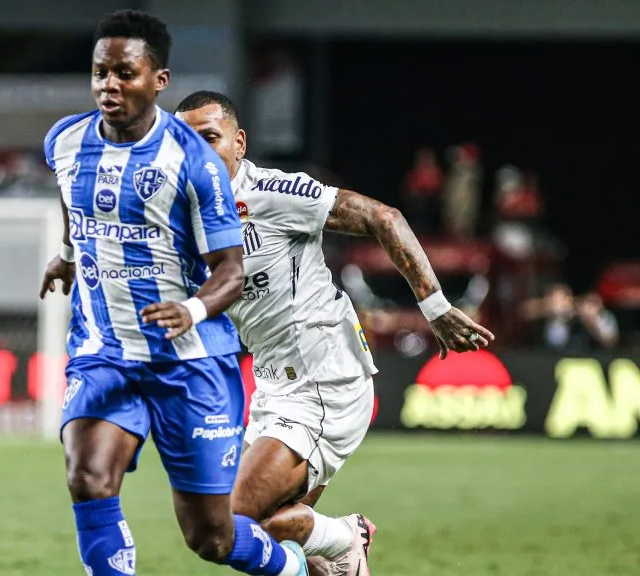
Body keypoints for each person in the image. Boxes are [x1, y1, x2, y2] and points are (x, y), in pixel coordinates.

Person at [175, 91, 496, 576]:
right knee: (249, 531)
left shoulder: (271, 193)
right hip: (273, 385)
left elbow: (383, 217)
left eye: (210, 138)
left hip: (324, 380)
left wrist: (435, 307)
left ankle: (346, 536)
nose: (198, 152)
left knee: (228, 520)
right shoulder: (185, 214)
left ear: (239, 143)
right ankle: (334, 558)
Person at [40, 10, 309, 576]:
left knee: (210, 536)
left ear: (158, 79)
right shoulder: (64, 140)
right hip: (105, 351)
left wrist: (191, 309)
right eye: (100, 73)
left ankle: (293, 568)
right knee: (88, 477)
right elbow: (71, 196)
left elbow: (231, 272)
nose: (109, 86)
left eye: (125, 73)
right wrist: (67, 254)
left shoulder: (193, 161)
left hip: (190, 363)